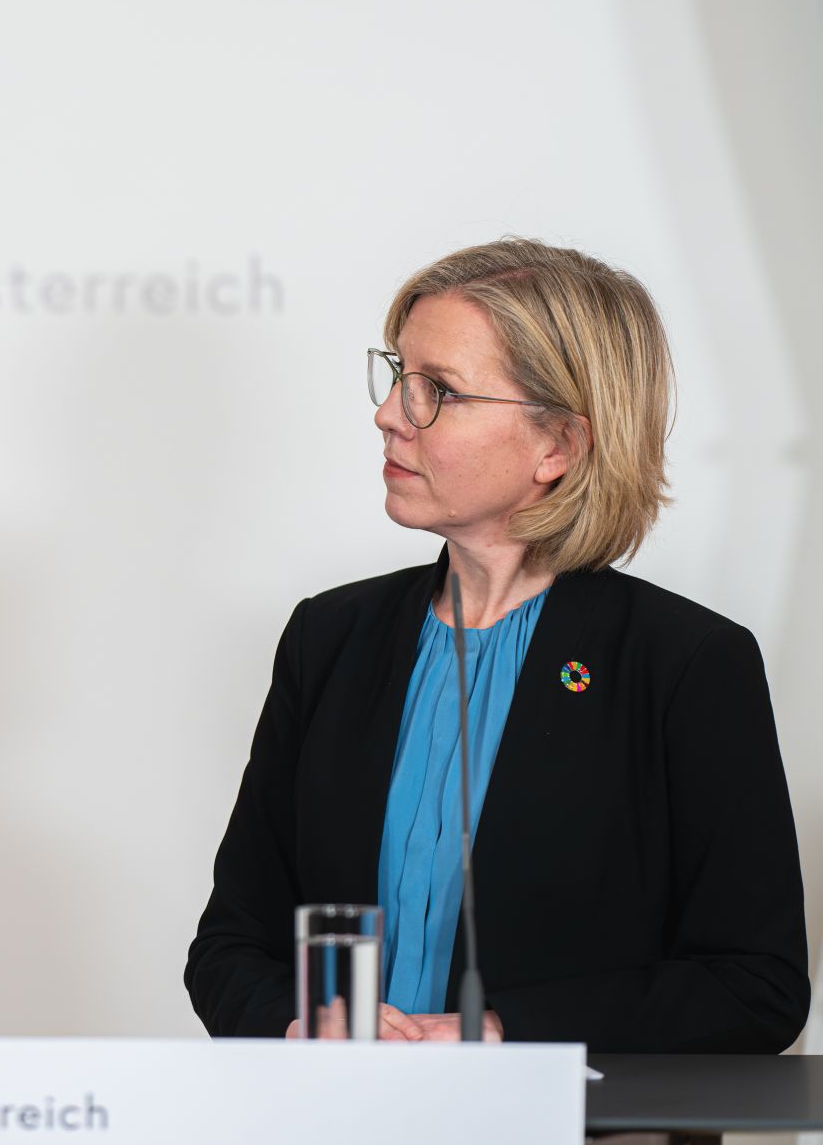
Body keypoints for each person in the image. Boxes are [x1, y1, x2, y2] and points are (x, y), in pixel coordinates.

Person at [184, 238, 808, 1051]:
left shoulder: (686, 664)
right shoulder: (328, 638)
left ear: (561, 446)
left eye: (437, 391)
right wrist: (300, 1024)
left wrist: (501, 1033)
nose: (388, 414)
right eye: (397, 376)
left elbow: (754, 984)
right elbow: (232, 944)